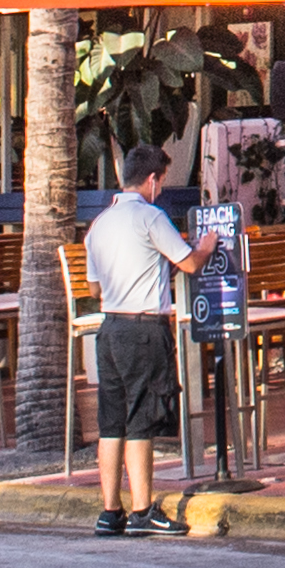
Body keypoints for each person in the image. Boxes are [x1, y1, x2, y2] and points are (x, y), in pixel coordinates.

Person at [83, 146, 193, 539]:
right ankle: (144, 509)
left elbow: (94, 287)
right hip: (144, 327)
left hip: (110, 327)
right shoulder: (150, 217)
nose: (160, 189)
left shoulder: (100, 224)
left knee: (111, 422)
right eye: (160, 181)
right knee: (141, 419)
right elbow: (189, 262)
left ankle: (111, 511)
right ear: (151, 179)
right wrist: (208, 244)